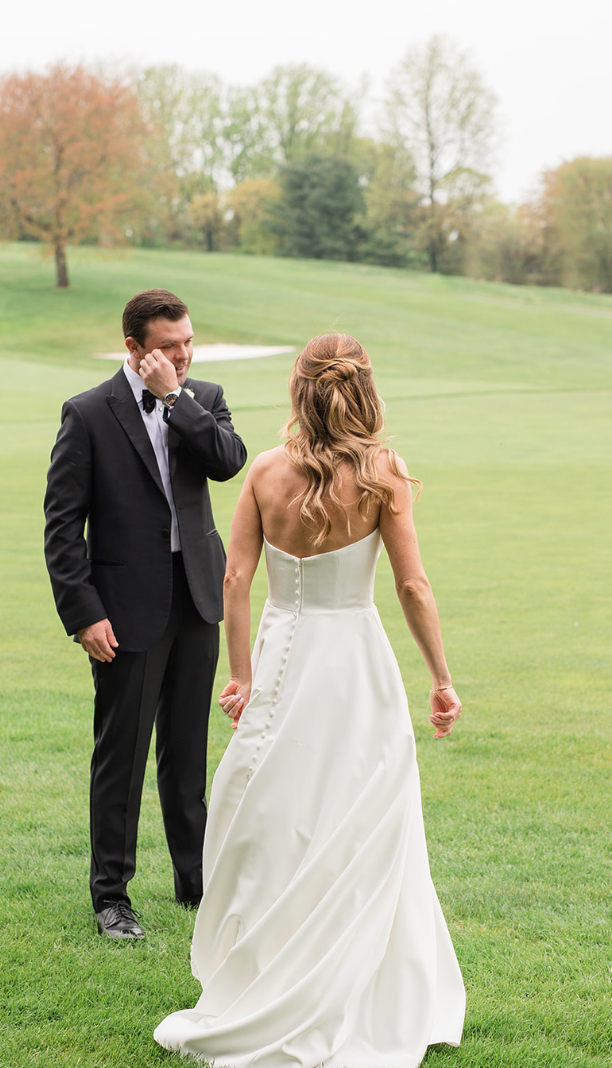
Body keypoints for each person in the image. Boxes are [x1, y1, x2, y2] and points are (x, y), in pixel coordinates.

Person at [155, 333, 465, 1066]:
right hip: (358, 665)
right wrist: (442, 679)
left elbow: (235, 580)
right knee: (362, 816)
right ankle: (362, 982)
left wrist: (239, 675)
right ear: (362, 390)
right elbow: (412, 586)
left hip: (283, 658)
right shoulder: (384, 471)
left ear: (300, 391)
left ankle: (269, 963)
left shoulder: (264, 470)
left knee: (276, 812)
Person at [44, 289, 247, 940]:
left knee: (187, 755)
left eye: (188, 342)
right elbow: (61, 528)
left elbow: (227, 461)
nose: (182, 355)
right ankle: (111, 897)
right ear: (133, 348)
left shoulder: (203, 400)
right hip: (123, 614)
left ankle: (196, 883)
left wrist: (174, 398)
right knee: (122, 757)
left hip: (197, 601)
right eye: (168, 346)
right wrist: (84, 614)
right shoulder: (88, 414)